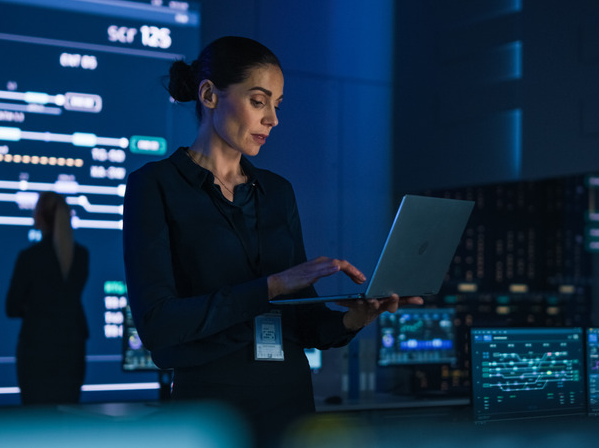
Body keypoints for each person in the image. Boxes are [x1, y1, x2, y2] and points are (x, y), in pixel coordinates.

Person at [122, 36, 422, 444]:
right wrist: (273, 286)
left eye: (276, 105)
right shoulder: (153, 186)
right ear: (209, 94)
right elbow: (158, 324)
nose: (273, 120)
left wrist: (357, 317)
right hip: (211, 410)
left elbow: (302, 323)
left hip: (291, 404)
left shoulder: (278, 192)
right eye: (259, 101)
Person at [6, 191, 89, 405]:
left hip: (36, 349)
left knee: (35, 419)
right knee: (68, 419)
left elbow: (12, 307)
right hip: (72, 348)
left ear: (40, 216)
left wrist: (34, 308)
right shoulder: (81, 255)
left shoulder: (30, 257)